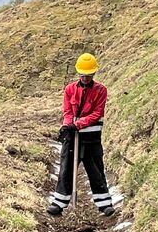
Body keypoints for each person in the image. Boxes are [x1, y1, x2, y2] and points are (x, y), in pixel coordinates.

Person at [47, 53, 116, 216]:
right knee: (66, 168)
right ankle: (59, 203)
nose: (85, 78)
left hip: (91, 137)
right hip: (72, 137)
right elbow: (68, 111)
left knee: (95, 170)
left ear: (94, 74)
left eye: (89, 75)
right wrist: (68, 126)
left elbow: (97, 113)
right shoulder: (70, 89)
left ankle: (104, 204)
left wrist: (78, 124)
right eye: (83, 75)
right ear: (79, 73)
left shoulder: (101, 90)